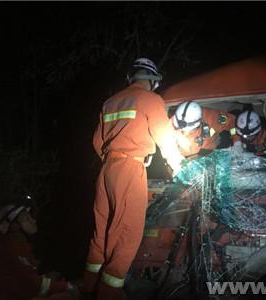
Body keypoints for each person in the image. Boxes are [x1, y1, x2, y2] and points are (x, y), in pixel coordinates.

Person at [82, 58, 185, 300]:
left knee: (102, 231)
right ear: (152, 80)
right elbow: (165, 138)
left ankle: (88, 288)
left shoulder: (110, 103)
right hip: (130, 169)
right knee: (127, 233)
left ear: (131, 77)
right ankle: (108, 293)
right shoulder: (151, 100)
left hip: (107, 170)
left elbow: (97, 142)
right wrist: (179, 165)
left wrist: (114, 158)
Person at [0, 201, 78, 300]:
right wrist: (67, 286)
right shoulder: (10, 251)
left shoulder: (18, 247)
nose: (33, 220)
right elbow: (32, 284)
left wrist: (47, 277)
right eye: (27, 218)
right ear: (15, 226)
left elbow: (27, 278)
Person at [171, 101, 237, 157]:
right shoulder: (170, 123)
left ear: (199, 122)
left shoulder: (211, 117)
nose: (185, 132)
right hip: (186, 154)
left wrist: (236, 141)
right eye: (179, 128)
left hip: (209, 148)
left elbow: (231, 122)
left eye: (189, 131)